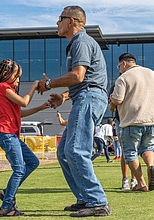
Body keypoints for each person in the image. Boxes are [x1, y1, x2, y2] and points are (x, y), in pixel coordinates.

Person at [37, 5, 111, 217]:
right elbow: (86, 80)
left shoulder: (81, 41)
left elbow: (78, 76)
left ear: (71, 21)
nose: (56, 24)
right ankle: (85, 198)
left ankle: (97, 201)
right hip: (86, 96)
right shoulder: (78, 43)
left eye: (59, 19)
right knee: (64, 152)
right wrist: (64, 97)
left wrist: (49, 84)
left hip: (89, 98)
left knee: (76, 150)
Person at [0, 59, 50, 217]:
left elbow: (20, 113)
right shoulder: (2, 87)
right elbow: (24, 102)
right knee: (19, 169)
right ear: (5, 74)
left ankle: (7, 193)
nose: (18, 80)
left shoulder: (9, 91)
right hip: (6, 134)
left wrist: (41, 107)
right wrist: (34, 86)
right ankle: (7, 206)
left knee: (33, 162)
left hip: (11, 135)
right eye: (16, 76)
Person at [110, 53, 154, 192]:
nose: (119, 69)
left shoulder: (123, 78)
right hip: (150, 120)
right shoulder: (151, 74)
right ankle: (151, 166)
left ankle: (141, 184)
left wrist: (111, 100)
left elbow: (117, 100)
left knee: (130, 153)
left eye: (119, 66)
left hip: (132, 121)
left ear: (123, 64)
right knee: (148, 148)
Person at [109, 80, 137, 191]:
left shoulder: (134, 85)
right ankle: (128, 179)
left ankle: (132, 180)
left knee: (131, 150)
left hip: (131, 120)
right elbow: (112, 105)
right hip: (122, 120)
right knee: (127, 150)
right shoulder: (115, 86)